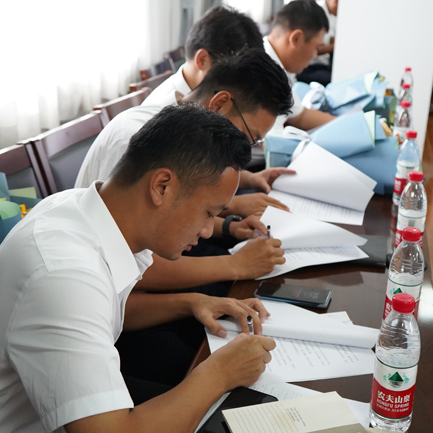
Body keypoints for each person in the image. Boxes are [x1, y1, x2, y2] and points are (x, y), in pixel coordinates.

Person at [0, 104, 278, 433]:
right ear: (162, 186)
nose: (207, 230)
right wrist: (219, 373)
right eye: (208, 213)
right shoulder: (64, 274)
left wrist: (190, 302)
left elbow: (101, 312)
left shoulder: (81, 207)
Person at [76, 48, 294, 290]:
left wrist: (230, 226)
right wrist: (236, 265)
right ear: (220, 104)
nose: (250, 148)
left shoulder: (184, 126)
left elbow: (175, 212)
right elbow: (130, 264)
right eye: (249, 137)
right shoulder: (140, 137)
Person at [143, 5, 263, 106]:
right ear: (202, 60)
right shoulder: (159, 113)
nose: (237, 91)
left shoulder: (205, 101)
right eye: (233, 78)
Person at [265, 0, 336, 133]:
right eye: (317, 48)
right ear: (296, 38)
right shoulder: (262, 72)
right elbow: (272, 137)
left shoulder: (279, 66)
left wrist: (347, 123)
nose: (315, 55)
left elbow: (299, 115)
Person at [296, 0, 338, 86]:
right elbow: (315, 50)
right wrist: (336, 46)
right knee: (334, 78)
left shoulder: (330, 16)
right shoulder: (317, 15)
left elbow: (330, 38)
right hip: (309, 67)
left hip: (320, 64)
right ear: (335, 2)